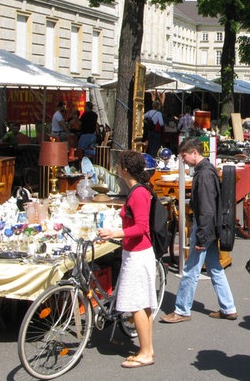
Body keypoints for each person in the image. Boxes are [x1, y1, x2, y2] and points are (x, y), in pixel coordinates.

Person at [161, 137, 237, 323]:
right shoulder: (207, 171)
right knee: (215, 268)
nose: (183, 160)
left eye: (184, 155)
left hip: (205, 228)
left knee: (191, 270)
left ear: (195, 153)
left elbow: (206, 209)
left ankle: (182, 310)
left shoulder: (203, 175)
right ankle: (228, 307)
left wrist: (202, 236)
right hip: (209, 227)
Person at [96, 151, 157, 368]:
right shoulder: (137, 191)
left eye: (119, 165)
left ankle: (145, 353)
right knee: (143, 303)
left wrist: (114, 233)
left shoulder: (138, 193)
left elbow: (141, 227)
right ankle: (147, 348)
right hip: (138, 252)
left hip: (138, 253)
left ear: (125, 169)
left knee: (136, 304)